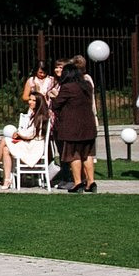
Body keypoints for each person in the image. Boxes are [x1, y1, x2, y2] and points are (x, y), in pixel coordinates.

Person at [51, 61, 98, 192]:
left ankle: (77, 183)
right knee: (87, 154)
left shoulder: (68, 87)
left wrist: (53, 96)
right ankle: (91, 181)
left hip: (73, 128)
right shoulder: (87, 86)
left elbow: (57, 105)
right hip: (88, 126)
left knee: (74, 155)